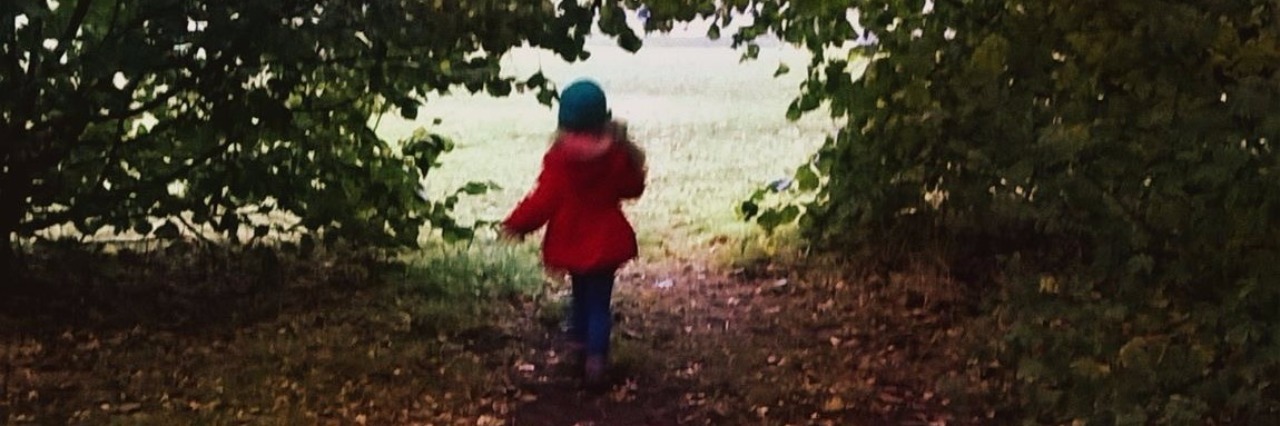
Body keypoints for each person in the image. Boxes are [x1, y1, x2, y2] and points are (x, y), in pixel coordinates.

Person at [501, 79, 646, 386]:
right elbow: (633, 189)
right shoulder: (618, 154)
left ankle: (578, 348)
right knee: (598, 302)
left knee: (580, 294)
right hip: (607, 240)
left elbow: (543, 201)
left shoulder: (560, 160)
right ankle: (596, 359)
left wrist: (517, 223)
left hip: (572, 239)